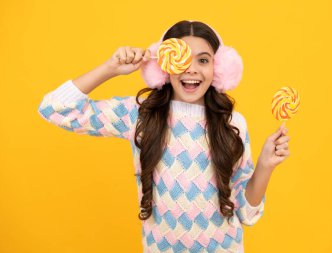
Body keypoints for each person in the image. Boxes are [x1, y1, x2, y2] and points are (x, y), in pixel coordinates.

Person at [37, 20, 290, 252]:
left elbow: (246, 214)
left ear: (219, 67)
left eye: (203, 60)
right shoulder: (140, 115)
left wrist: (265, 166)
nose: (191, 70)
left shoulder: (232, 123)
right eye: (182, 59)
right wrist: (110, 68)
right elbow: (53, 109)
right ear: (164, 64)